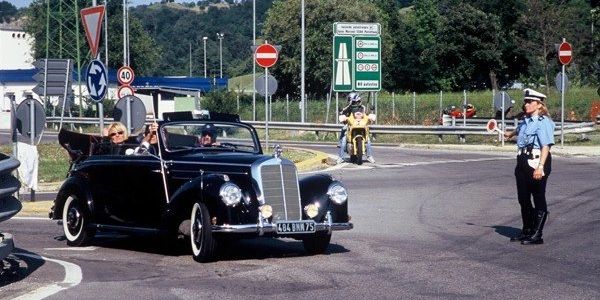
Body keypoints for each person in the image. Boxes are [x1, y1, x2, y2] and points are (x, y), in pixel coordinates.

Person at [504, 88, 555, 245]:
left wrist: (540, 167)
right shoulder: (525, 121)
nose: (526, 104)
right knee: (523, 198)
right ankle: (527, 230)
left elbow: (546, 146)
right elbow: (518, 131)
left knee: (538, 196)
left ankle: (537, 234)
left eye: (529, 102)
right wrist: (509, 134)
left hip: (537, 161)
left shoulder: (543, 122)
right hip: (522, 161)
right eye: (525, 101)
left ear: (539, 105)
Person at [337, 92, 375, 164]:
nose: (355, 103)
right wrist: (343, 116)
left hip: (362, 124)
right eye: (352, 101)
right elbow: (343, 112)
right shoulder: (349, 107)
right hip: (351, 125)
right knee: (344, 137)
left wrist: (370, 117)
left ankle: (369, 156)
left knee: (368, 140)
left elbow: (367, 113)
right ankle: (341, 157)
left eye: (353, 101)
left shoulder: (363, 107)